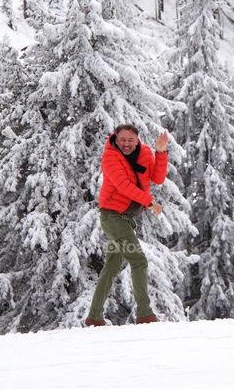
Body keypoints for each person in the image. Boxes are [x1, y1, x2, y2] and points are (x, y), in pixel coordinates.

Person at [85, 124, 170, 326]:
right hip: (112, 218)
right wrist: (150, 203)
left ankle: (94, 317)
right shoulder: (110, 157)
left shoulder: (145, 152)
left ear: (137, 139)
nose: (126, 144)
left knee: (112, 266)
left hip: (124, 219)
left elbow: (157, 179)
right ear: (116, 138)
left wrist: (160, 153)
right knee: (138, 260)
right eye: (122, 140)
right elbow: (124, 186)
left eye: (130, 140)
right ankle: (145, 314)